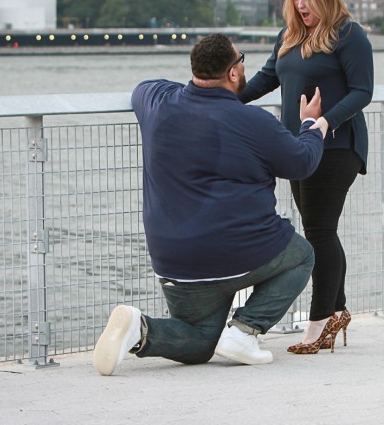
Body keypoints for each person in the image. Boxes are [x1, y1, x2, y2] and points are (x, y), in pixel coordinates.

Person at [93, 33, 328, 376]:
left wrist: (194, 90)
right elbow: (301, 163)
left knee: (200, 343)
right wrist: (311, 124)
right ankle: (246, 330)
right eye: (241, 59)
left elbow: (143, 87)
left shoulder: (157, 103)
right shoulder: (255, 122)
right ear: (233, 73)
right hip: (239, 253)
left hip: (175, 263)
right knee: (302, 254)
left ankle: (138, 329)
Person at [238, 0, 374, 354]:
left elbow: (362, 91)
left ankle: (317, 325)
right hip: (297, 146)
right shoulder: (290, 34)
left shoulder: (349, 35)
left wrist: (324, 121)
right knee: (321, 230)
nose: (300, 4)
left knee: (318, 232)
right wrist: (219, 99)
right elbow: (266, 79)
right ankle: (338, 312)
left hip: (336, 145)